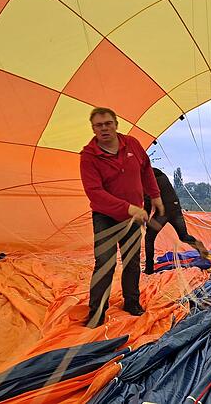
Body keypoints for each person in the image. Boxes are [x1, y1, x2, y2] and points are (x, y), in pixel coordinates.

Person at [80, 107, 162, 327]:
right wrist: (129, 209)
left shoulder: (132, 144)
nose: (104, 128)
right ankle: (96, 311)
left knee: (132, 261)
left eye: (108, 123)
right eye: (99, 125)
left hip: (133, 217)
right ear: (93, 129)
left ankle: (132, 303)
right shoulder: (88, 156)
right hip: (105, 216)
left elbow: (146, 169)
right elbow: (95, 192)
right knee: (105, 262)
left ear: (116, 124)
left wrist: (155, 195)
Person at [144, 168, 209, 275]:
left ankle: (149, 269)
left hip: (163, 212)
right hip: (176, 209)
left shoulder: (147, 179)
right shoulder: (162, 175)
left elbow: (147, 199)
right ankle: (201, 249)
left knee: (149, 238)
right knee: (183, 236)